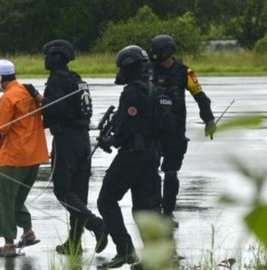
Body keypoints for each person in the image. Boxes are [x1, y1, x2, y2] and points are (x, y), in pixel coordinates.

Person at [34, 39, 107, 256]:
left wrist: (37, 98)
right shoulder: (76, 79)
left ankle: (96, 225)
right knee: (78, 194)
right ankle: (73, 243)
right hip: (83, 140)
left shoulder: (57, 80)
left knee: (63, 190)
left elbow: (54, 110)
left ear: (56, 57)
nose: (45, 59)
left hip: (67, 140)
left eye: (47, 56)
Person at [96, 45, 163, 269]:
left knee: (106, 199)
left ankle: (125, 251)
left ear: (129, 68)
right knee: (143, 209)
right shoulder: (153, 88)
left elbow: (128, 128)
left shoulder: (132, 92)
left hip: (134, 156)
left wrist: (111, 141)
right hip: (151, 155)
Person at [148, 34, 216, 225]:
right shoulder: (148, 71)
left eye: (156, 50)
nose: (152, 53)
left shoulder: (185, 72)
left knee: (170, 173)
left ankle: (168, 212)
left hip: (174, 132)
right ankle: (152, 211)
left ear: (166, 51)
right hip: (152, 131)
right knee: (150, 172)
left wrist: (209, 120)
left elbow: (201, 97)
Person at [0, 59, 49, 257]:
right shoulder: (29, 93)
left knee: (3, 201)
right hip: (34, 156)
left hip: (13, 157)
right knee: (17, 200)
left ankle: (8, 245)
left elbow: (2, 129)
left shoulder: (8, 97)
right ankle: (28, 233)